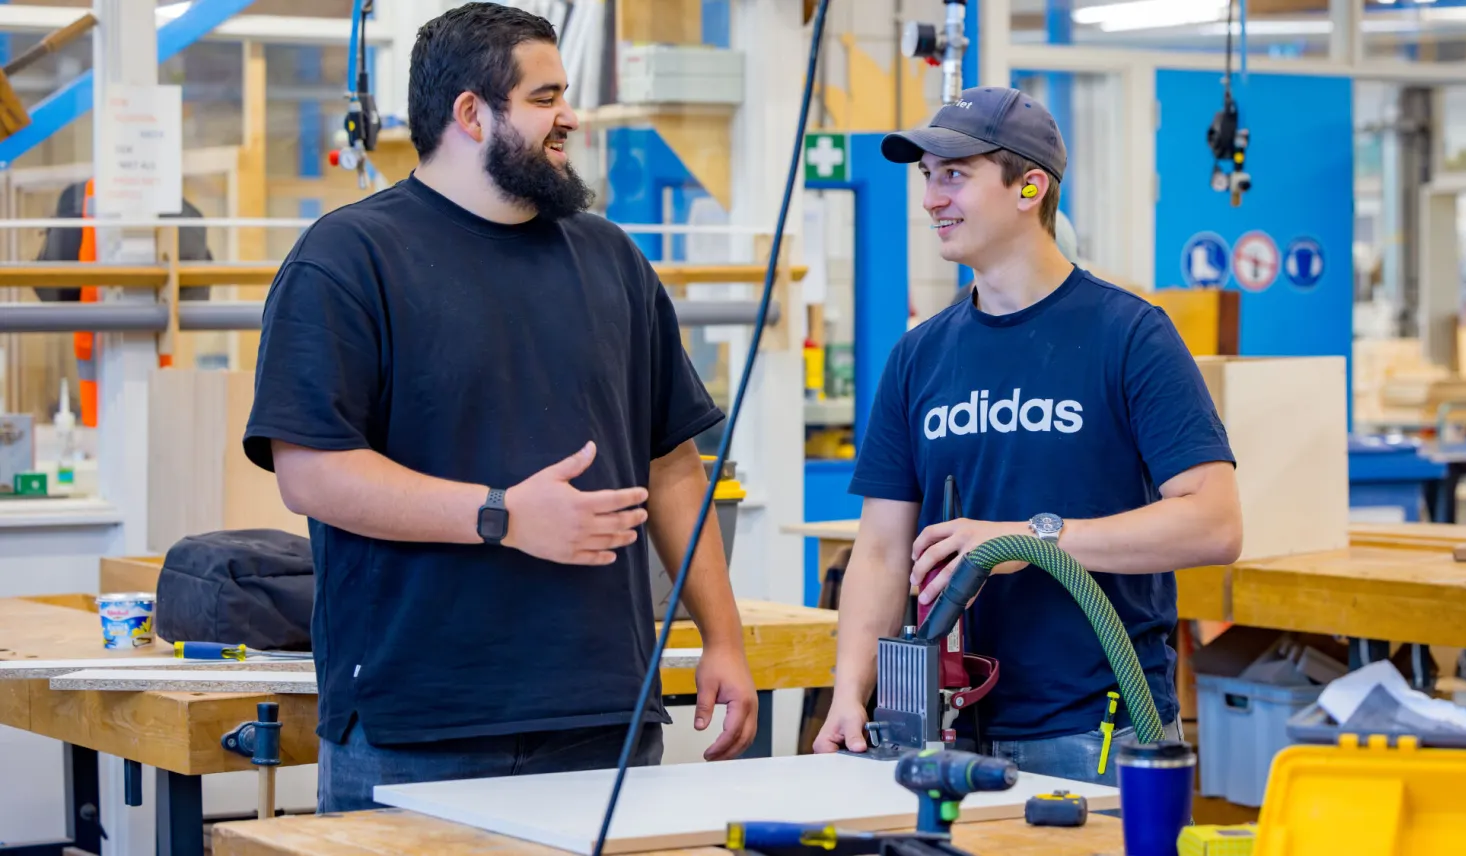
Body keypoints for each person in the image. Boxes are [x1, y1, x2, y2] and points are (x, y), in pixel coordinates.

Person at [242, 3, 757, 811]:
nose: (570, 117)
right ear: (472, 114)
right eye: (546, 97)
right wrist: (502, 515)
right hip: (419, 727)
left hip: (603, 717)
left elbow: (674, 465)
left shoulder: (612, 259)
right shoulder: (349, 259)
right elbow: (311, 473)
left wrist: (722, 640)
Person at [811, 87, 1243, 786]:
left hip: (1096, 725)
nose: (930, 199)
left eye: (954, 174)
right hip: (946, 732)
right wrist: (849, 692)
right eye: (927, 176)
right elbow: (882, 549)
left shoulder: (1129, 335)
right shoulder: (920, 356)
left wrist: (1027, 540)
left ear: (1030, 186)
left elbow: (1214, 523)